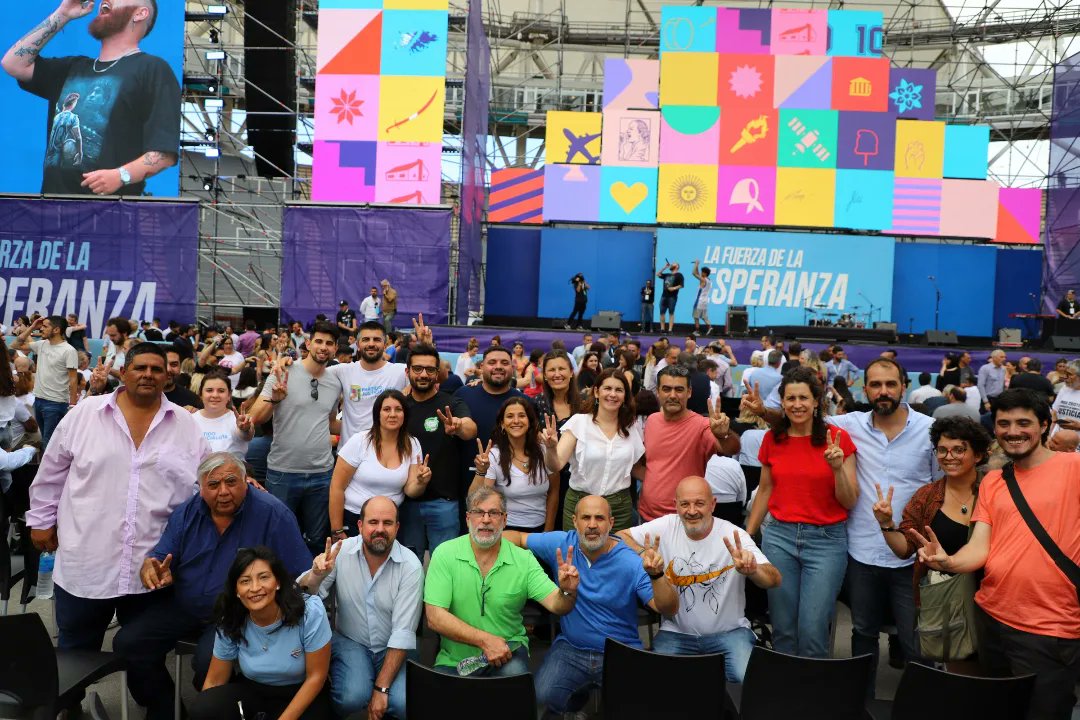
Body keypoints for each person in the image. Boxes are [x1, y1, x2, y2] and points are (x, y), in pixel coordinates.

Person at [28, 343, 210, 694]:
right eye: (140, 368)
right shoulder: (86, 414)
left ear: (167, 376)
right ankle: (70, 707)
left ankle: (154, 706)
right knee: (74, 651)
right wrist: (41, 519)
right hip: (87, 561)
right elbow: (51, 471)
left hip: (152, 566)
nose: (148, 375)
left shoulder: (186, 425)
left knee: (145, 653)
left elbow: (205, 478)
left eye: (157, 369)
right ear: (123, 373)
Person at [912, 389, 1080, 720]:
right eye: (1004, 423)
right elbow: (980, 548)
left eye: (1023, 422)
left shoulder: (1073, 468)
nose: (1012, 431)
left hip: (1051, 628)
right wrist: (949, 562)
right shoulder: (993, 482)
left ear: (1045, 425)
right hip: (992, 619)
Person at [120, 452, 310, 720]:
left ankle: (231, 707)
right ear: (200, 488)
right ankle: (165, 707)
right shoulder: (187, 511)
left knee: (207, 663)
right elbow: (161, 558)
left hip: (237, 612)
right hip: (184, 604)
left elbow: (300, 575)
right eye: (213, 485)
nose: (223, 492)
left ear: (247, 481)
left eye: (231, 482)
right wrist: (152, 567)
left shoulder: (273, 514)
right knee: (128, 642)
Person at [505, 495, 678, 715]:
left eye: (599, 518)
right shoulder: (561, 543)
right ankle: (578, 701)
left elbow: (668, 609)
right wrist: (479, 543)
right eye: (586, 518)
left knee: (641, 707)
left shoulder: (631, 561)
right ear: (575, 521)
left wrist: (657, 575)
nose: (593, 524)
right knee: (541, 697)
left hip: (620, 650)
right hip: (571, 648)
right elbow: (519, 538)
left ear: (611, 523)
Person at [826, 358, 937, 686]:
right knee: (862, 634)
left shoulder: (930, 430)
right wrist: (764, 412)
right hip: (862, 554)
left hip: (912, 557)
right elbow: (800, 421)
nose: (883, 391)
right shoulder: (849, 425)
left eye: (891, 384)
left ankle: (922, 706)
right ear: (865, 389)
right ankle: (860, 704)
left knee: (916, 641)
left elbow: (940, 490)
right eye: (875, 384)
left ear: (905, 386)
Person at [1, 0, 181, 196]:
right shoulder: (73, 68)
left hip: (110, 214)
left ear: (140, 13)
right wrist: (63, 14)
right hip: (52, 207)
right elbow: (13, 63)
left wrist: (121, 175)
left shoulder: (152, 69)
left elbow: (164, 154)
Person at [744, 367, 858, 658]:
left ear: (817, 401)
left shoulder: (837, 439)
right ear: (781, 402)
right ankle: (785, 695)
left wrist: (836, 469)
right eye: (790, 398)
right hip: (780, 537)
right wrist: (748, 535)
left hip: (826, 542)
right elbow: (765, 490)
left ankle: (812, 697)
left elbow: (848, 500)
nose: (797, 404)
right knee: (782, 627)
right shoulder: (773, 439)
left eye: (804, 398)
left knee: (812, 629)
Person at [620, 477, 781, 681]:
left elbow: (774, 579)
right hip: (676, 633)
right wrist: (643, 553)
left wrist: (753, 569)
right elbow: (620, 537)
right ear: (676, 505)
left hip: (730, 633)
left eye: (699, 503)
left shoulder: (733, 534)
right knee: (656, 680)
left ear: (713, 504)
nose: (692, 510)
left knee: (746, 681)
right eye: (685, 504)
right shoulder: (666, 526)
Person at [423, 486, 579, 676]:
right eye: (478, 512)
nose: (486, 519)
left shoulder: (523, 560)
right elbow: (434, 617)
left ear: (505, 520)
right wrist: (485, 641)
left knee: (513, 680)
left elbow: (557, 605)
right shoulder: (445, 554)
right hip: (456, 659)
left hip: (507, 652)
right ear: (467, 518)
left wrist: (568, 592)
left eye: (494, 513)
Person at [873, 416, 990, 665]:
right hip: (950, 603)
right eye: (942, 450)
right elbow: (905, 549)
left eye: (959, 449)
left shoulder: (995, 490)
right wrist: (885, 524)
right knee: (959, 665)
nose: (949, 457)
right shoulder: (926, 497)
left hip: (993, 596)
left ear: (978, 455)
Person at [298, 497, 423, 719]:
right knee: (351, 699)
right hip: (351, 640)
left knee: (404, 705)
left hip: (392, 645)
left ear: (397, 527)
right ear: (360, 525)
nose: (380, 529)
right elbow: (303, 597)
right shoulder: (341, 551)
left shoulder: (411, 565)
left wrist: (381, 689)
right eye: (373, 522)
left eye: (387, 523)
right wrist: (316, 575)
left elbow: (403, 633)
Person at [190, 546, 332, 720]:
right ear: (236, 590)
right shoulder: (231, 616)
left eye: (264, 577)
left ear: (278, 582)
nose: (255, 587)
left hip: (301, 690)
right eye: (245, 581)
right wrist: (206, 711)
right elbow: (215, 680)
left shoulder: (310, 611)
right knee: (204, 707)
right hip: (253, 688)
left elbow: (316, 677)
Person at [249, 321, 342, 555]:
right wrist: (276, 399)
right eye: (319, 341)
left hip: (321, 474)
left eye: (329, 343)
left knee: (316, 541)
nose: (323, 347)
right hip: (283, 473)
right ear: (308, 343)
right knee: (277, 539)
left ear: (335, 349)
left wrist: (369, 429)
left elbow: (329, 421)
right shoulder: (283, 371)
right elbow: (255, 417)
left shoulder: (334, 383)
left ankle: (310, 590)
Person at [399, 343, 477, 559]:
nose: (423, 374)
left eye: (430, 369)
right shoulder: (399, 406)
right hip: (406, 502)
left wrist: (458, 426)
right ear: (407, 372)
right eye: (417, 369)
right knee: (408, 566)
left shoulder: (451, 404)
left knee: (444, 566)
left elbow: (470, 429)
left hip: (444, 503)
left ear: (438, 373)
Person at [541, 368, 643, 531]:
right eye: (607, 388)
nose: (613, 394)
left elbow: (636, 468)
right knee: (575, 554)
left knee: (615, 555)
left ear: (625, 396)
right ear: (596, 392)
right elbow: (556, 465)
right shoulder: (579, 422)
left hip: (618, 508)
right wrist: (551, 448)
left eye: (619, 390)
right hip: (581, 505)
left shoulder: (632, 428)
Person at [638, 365, 740, 522]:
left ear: (689, 392)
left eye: (679, 389)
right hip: (646, 516)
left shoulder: (702, 425)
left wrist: (723, 435)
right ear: (657, 392)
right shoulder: (652, 420)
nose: (672, 395)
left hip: (684, 519)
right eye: (666, 389)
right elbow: (650, 465)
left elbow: (730, 448)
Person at [330, 389, 429, 540]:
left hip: (391, 521)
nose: (393, 414)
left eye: (398, 409)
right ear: (378, 414)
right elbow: (337, 487)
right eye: (386, 409)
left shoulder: (412, 444)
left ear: (405, 415)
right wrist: (337, 530)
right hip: (355, 518)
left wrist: (421, 482)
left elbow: (411, 491)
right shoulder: (359, 441)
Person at [471, 397, 558, 532]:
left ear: (529, 422)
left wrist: (548, 532)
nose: (516, 421)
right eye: (510, 416)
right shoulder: (494, 456)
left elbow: (554, 492)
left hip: (541, 531)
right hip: (507, 530)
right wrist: (481, 471)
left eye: (522, 416)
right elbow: (477, 499)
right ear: (502, 424)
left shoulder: (545, 450)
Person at [325, 320, 408, 445]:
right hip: (349, 456)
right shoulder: (342, 371)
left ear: (385, 345)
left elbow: (438, 373)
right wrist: (285, 362)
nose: (371, 344)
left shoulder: (401, 371)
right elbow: (311, 371)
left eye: (376, 340)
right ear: (358, 344)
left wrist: (427, 345)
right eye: (366, 339)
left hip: (387, 455)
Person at [10, 315, 78, 449]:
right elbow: (14, 345)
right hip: (39, 400)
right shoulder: (41, 344)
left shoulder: (69, 351)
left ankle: (47, 470)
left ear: (57, 330)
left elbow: (73, 379)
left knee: (49, 443)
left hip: (56, 403)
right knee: (46, 442)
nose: (41, 328)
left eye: (45, 326)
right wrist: (32, 327)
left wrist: (72, 405)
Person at [191, 371, 254, 456]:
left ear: (229, 395)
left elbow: (246, 435)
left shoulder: (238, 420)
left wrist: (245, 429)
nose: (215, 395)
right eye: (209, 390)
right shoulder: (190, 419)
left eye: (221, 391)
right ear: (201, 394)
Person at [977, 350, 1008, 415]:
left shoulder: (1003, 369)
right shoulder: (985, 368)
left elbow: (1003, 385)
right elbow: (980, 385)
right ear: (994, 358)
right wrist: (985, 401)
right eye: (1001, 357)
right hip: (988, 399)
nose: (1004, 359)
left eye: (1005, 357)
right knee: (985, 420)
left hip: (999, 400)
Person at [657, 261, 684, 333]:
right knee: (662, 312)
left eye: (674, 264)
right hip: (664, 296)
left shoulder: (679, 275)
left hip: (672, 297)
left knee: (671, 313)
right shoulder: (667, 275)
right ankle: (662, 329)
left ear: (677, 266)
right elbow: (658, 274)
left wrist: (673, 288)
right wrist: (665, 267)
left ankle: (670, 329)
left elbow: (681, 285)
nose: (672, 264)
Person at [690, 259, 713, 336]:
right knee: (704, 317)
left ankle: (697, 331)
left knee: (696, 317)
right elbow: (697, 273)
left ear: (705, 273)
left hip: (699, 301)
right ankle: (710, 327)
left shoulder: (703, 280)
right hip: (705, 302)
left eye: (702, 271)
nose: (701, 272)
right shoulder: (708, 280)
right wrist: (697, 265)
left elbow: (693, 273)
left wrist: (696, 264)